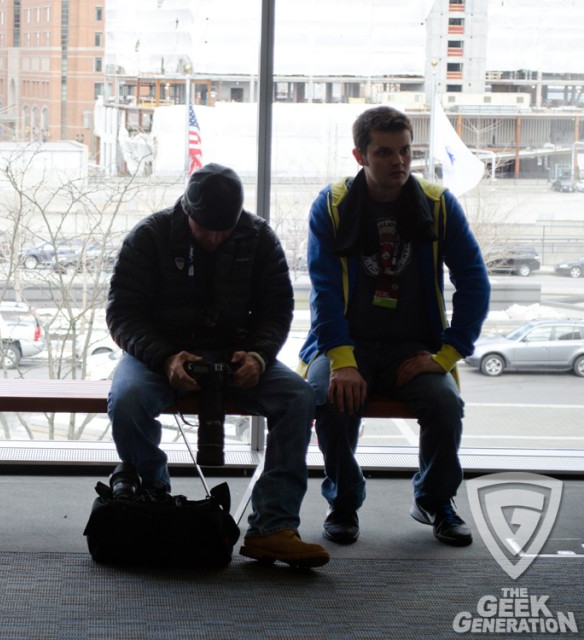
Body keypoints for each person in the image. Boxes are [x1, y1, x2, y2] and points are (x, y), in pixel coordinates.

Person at [106, 162, 329, 568]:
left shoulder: (258, 237)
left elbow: (277, 310)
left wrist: (259, 356)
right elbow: (122, 314)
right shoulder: (149, 236)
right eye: (204, 229)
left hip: (236, 352)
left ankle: (273, 527)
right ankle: (154, 500)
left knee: (298, 396)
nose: (213, 238)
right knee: (128, 398)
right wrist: (165, 357)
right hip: (159, 355)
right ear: (186, 213)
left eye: (223, 231)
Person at [299, 106, 490, 547]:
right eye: (384, 152)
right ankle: (344, 500)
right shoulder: (331, 205)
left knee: (445, 405)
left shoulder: (438, 204)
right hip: (346, 344)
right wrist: (342, 361)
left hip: (413, 347)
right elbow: (323, 290)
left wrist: (446, 354)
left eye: (405, 151)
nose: (399, 162)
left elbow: (475, 282)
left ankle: (434, 500)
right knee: (329, 397)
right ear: (360, 155)